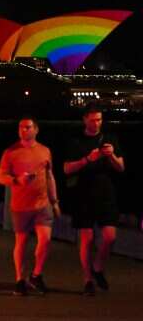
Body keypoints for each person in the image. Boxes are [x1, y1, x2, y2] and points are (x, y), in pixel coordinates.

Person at [62, 106, 125, 296]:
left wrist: (111, 155)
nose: (96, 123)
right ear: (85, 120)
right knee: (86, 238)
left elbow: (121, 167)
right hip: (83, 193)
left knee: (110, 236)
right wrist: (88, 159)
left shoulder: (110, 139)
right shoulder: (75, 141)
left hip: (106, 192)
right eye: (93, 120)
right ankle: (87, 279)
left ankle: (98, 267)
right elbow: (67, 169)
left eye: (99, 120)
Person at [0, 118, 59, 296]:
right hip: (21, 205)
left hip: (42, 204)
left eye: (27, 127)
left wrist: (55, 202)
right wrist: (17, 180)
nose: (23, 130)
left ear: (36, 129)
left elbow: (49, 176)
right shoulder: (10, 152)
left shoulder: (45, 151)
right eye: (21, 127)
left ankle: (36, 274)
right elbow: (1, 177)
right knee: (21, 242)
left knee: (45, 239)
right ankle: (19, 279)